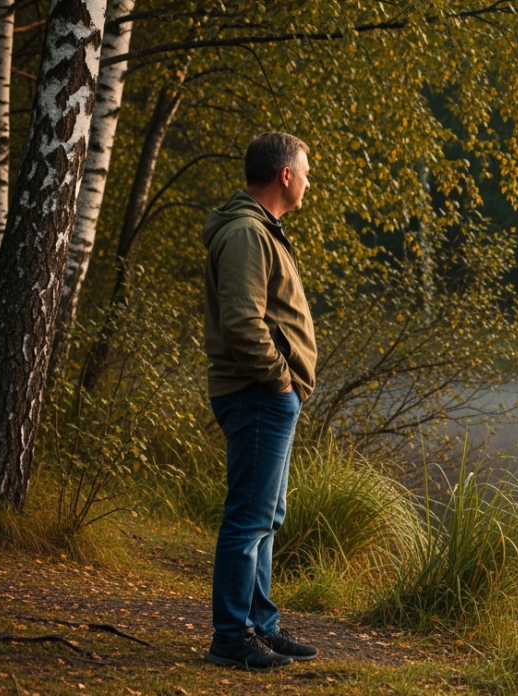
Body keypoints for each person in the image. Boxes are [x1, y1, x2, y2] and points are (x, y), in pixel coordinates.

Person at [200, 132, 319, 669]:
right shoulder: (249, 232)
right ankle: (231, 637)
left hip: (265, 396)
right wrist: (280, 381)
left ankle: (260, 626)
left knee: (267, 515)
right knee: (249, 518)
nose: (310, 180)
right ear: (285, 176)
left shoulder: (261, 230)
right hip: (257, 394)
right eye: (307, 170)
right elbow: (243, 322)